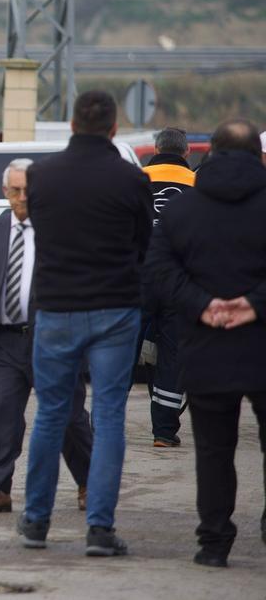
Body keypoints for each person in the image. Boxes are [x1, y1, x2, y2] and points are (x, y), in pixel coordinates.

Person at [16, 89, 152, 557]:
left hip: (55, 309)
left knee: (51, 414)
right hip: (116, 309)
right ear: (113, 128)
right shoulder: (133, 180)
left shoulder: (40, 176)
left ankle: (36, 522)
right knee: (110, 416)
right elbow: (142, 246)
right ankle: (99, 528)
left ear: (72, 125)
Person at [145, 118, 266, 568]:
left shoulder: (184, 210)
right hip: (261, 342)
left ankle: (214, 542)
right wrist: (252, 304)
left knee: (214, 451)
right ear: (258, 155)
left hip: (204, 344)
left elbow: (158, 271)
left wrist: (204, 304)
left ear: (210, 152)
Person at [0, 159, 92, 513]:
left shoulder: (61, 231)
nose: (23, 197)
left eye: (29, 190)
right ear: (5, 192)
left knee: (68, 417)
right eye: (16, 190)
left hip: (52, 340)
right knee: (2, 415)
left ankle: (89, 482)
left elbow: (78, 289)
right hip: (4, 343)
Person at [139, 126, 195, 447]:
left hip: (138, 279)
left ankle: (106, 421)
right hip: (178, 282)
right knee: (173, 355)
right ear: (187, 153)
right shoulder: (199, 186)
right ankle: (163, 432)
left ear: (156, 148)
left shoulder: (136, 180)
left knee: (122, 348)